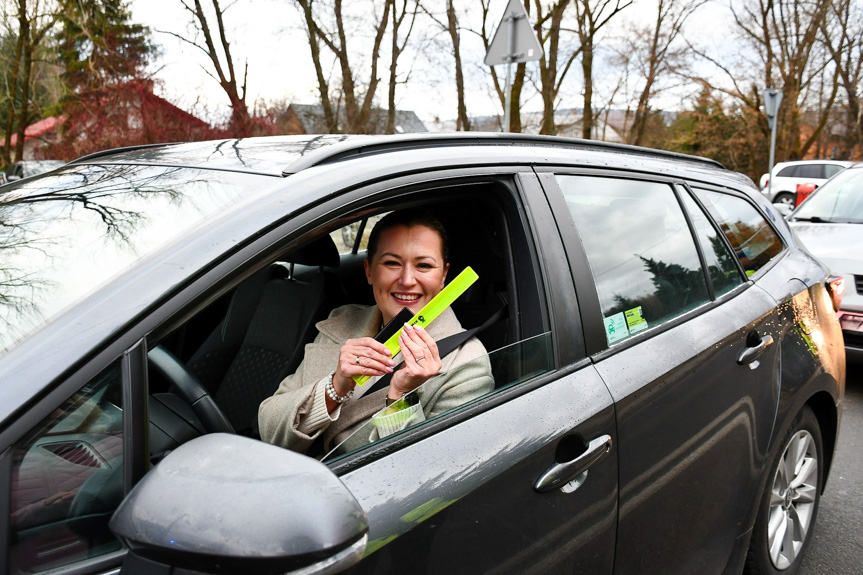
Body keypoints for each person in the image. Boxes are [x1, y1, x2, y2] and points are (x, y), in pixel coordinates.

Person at [258, 209, 494, 455]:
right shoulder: (341, 321)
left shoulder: (467, 362)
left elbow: (426, 474)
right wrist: (335, 386)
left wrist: (401, 396)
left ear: (443, 275)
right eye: (392, 263)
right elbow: (269, 429)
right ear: (369, 271)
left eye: (423, 265)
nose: (406, 280)